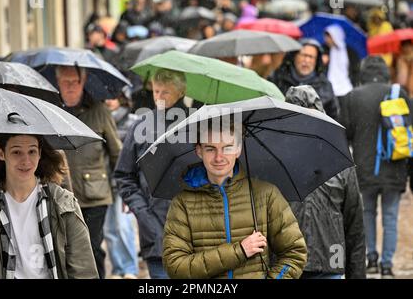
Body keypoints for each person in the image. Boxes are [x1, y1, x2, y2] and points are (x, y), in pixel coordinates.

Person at [163, 120, 307, 279]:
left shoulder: (266, 194)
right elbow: (175, 268)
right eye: (211, 149)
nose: (219, 157)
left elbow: (294, 253)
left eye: (228, 148)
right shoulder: (182, 203)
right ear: (199, 151)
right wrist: (239, 251)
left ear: (238, 149)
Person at [0, 134, 98, 279]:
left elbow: (84, 271)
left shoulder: (64, 204)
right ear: (1, 153)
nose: (26, 160)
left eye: (32, 151)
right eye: (16, 152)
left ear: (39, 153)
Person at [339, 56, 411, 278]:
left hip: (365, 168)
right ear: (385, 72)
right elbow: (408, 131)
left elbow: (346, 133)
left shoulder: (352, 97)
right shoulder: (399, 94)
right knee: (390, 216)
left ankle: (371, 259)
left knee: (367, 214)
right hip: (395, 167)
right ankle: (387, 265)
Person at [285, 85, 366, 279]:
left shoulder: (341, 164)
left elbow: (354, 226)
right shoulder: (273, 163)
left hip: (329, 264)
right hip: (286, 266)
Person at [114, 68, 188, 279]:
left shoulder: (195, 125)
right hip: (154, 233)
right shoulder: (141, 126)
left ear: (181, 91)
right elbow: (123, 175)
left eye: (165, 92)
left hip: (192, 232)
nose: (159, 97)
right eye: (156, 91)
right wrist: (144, 214)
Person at [56, 66, 123, 279]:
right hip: (61, 194)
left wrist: (122, 187)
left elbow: (116, 153)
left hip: (95, 195)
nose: (70, 87)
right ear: (58, 82)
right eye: (65, 82)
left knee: (91, 249)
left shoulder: (99, 110)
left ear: (83, 82)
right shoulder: (52, 110)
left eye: (74, 81)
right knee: (66, 250)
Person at [103, 94, 140, 279]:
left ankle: (130, 269)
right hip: (103, 182)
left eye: (114, 96)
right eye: (107, 97)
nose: (109, 100)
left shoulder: (133, 121)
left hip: (124, 182)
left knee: (123, 225)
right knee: (109, 229)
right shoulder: (101, 117)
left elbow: (135, 154)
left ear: (123, 98)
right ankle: (119, 269)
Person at [271, 39, 339, 120]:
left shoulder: (325, 85)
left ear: (316, 61)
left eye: (311, 57)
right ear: (294, 56)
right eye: (303, 55)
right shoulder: (278, 78)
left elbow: (333, 115)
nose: (307, 60)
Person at [323, 24, 360, 101]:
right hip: (329, 89)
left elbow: (355, 69)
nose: (326, 39)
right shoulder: (324, 50)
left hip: (347, 88)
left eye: (328, 36)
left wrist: (354, 84)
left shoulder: (350, 52)